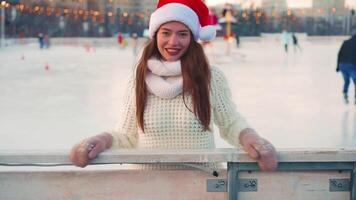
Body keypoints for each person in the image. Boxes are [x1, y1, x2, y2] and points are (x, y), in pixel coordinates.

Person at [70, 0, 278, 172]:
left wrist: (251, 138)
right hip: (146, 188)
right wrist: (102, 139)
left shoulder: (210, 77)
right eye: (166, 33)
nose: (173, 41)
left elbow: (230, 123)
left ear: (192, 38)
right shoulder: (139, 78)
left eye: (182, 34)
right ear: (155, 35)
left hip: (201, 187)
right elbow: (126, 135)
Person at [336, 33, 356, 105]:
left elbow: (339, 54)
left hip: (342, 65)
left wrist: (338, 66)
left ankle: (345, 93)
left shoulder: (346, 42)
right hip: (351, 65)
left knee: (346, 81)